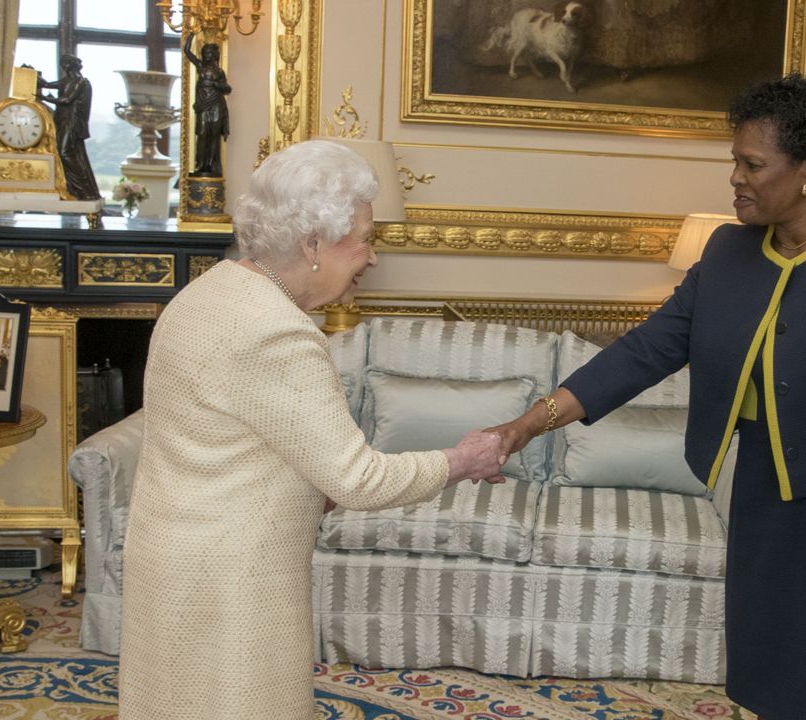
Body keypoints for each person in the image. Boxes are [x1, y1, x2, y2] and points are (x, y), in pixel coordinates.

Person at [488, 75, 806, 718]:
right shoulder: (730, 250)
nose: (735, 177)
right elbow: (645, 351)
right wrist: (526, 426)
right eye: (735, 160)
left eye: (752, 164)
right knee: (771, 664)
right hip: (764, 493)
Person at [117, 140, 509, 720]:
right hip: (232, 577)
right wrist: (463, 460)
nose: (372, 258)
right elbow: (361, 480)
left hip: (171, 554)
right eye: (365, 239)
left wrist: (307, 486)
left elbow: (226, 439)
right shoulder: (277, 332)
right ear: (312, 244)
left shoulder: (205, 294)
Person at [39, 55, 100, 200]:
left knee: (65, 153)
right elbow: (48, 84)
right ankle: (74, 187)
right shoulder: (67, 80)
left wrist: (45, 98)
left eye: (63, 64)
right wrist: (35, 78)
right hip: (62, 121)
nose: (62, 67)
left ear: (68, 65)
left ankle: (82, 186)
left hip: (71, 123)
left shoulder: (80, 81)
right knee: (65, 153)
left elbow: (67, 100)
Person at [184, 32, 231, 177]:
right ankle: (201, 165)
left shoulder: (219, 71)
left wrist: (217, 85)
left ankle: (212, 166)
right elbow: (187, 52)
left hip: (216, 104)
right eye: (205, 52)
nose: (208, 55)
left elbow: (228, 89)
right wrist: (191, 34)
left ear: (215, 54)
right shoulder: (200, 66)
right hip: (203, 105)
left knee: (214, 135)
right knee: (203, 133)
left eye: (210, 52)